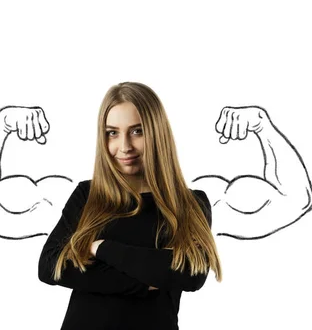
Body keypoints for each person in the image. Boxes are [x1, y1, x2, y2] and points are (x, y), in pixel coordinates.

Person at [37, 82, 222, 330]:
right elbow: (50, 266)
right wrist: (145, 282)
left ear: (157, 133)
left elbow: (189, 274)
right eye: (112, 133)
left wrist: (100, 248)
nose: (124, 146)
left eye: (137, 131)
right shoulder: (88, 195)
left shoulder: (190, 203)